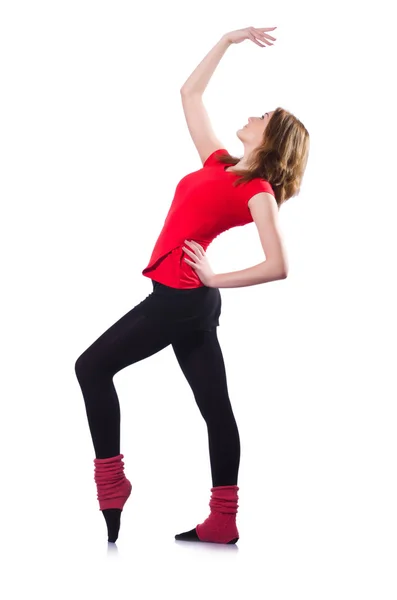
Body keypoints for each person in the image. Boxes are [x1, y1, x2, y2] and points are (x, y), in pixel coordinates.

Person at [75, 25, 310, 545]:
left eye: (264, 116)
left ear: (272, 140)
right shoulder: (221, 164)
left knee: (90, 367)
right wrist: (227, 41)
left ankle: (111, 484)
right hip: (188, 302)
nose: (254, 115)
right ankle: (222, 522)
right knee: (216, 407)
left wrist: (214, 277)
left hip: (182, 298)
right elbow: (190, 94)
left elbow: (279, 264)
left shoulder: (258, 189)